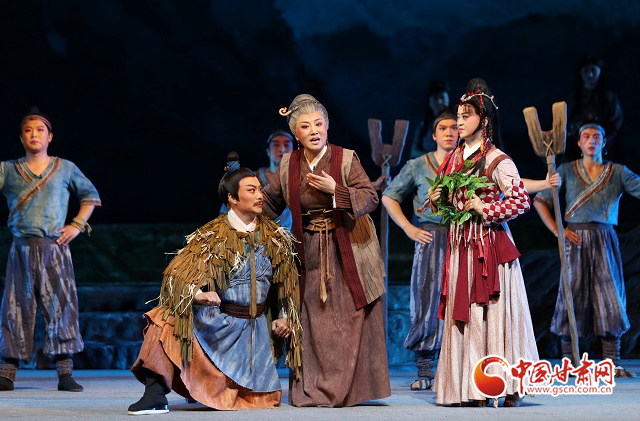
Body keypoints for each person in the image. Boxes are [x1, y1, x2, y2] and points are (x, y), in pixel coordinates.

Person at [129, 155, 301, 414]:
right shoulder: (212, 235)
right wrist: (198, 294)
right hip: (218, 324)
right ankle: (155, 393)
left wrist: (284, 315)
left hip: (253, 333)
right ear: (232, 198)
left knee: (257, 399)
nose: (260, 196)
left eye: (260, 190)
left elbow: (285, 283)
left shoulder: (274, 236)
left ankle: (204, 384)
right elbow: (177, 276)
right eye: (251, 190)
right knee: (164, 317)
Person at [261, 94, 391, 407]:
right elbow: (271, 202)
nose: (314, 131)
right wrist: (243, 205)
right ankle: (314, 389)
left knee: (348, 317)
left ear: (327, 126)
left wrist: (337, 191)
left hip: (347, 245)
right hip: (307, 247)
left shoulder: (345, 158)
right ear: (296, 134)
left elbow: (370, 197)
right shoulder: (289, 164)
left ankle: (349, 390)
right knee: (312, 317)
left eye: (318, 124)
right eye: (305, 126)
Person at [427, 79, 539, 406]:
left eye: (466, 116)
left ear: (484, 120)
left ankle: (507, 385)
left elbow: (520, 201)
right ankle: (469, 389)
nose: (458, 122)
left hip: (489, 247)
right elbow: (447, 202)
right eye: (458, 116)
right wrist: (437, 199)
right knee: (468, 315)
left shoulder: (497, 159)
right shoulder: (454, 158)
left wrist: (487, 209)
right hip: (461, 247)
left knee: (493, 314)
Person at [0, 107, 101, 392]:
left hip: (54, 248)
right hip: (21, 249)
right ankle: (7, 372)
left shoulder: (64, 167)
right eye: (28, 130)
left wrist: (76, 225)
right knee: (15, 307)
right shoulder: (8, 169)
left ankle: (65, 372)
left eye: (40, 130)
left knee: (61, 307)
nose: (34, 135)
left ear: (50, 136)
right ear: (21, 138)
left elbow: (90, 196)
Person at [533, 123, 639, 378]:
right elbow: (540, 201)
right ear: (579, 143)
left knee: (610, 297)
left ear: (604, 142)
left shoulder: (617, 172)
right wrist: (558, 231)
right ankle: (570, 363)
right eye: (586, 136)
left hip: (605, 238)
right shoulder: (566, 170)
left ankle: (611, 364)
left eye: (596, 137)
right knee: (572, 297)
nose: (591, 140)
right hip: (575, 239)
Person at [382, 110, 457, 390]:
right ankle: (425, 370)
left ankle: (455, 371)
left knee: (460, 301)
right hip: (430, 238)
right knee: (426, 300)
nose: (449, 133)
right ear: (434, 135)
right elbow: (389, 196)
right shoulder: (417, 165)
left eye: (454, 127)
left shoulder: (467, 164)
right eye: (443, 128)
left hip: (461, 238)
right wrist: (408, 228)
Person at [221, 130, 294, 230]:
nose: (282, 149)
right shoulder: (251, 178)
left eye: (287, 145)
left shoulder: (298, 177)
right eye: (276, 145)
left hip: (289, 235)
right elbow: (228, 207)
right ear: (268, 151)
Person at [567, 55, 623, 159]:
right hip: (578, 148)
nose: (590, 74)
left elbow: (616, 122)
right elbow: (568, 122)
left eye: (593, 70)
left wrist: (606, 141)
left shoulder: (609, 98)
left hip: (605, 146)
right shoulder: (574, 99)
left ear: (600, 71)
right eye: (586, 71)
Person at [409, 80, 451, 159]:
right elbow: (413, 152)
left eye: (442, 97)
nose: (439, 102)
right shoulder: (424, 126)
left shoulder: (458, 124)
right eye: (435, 98)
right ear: (429, 101)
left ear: (448, 99)